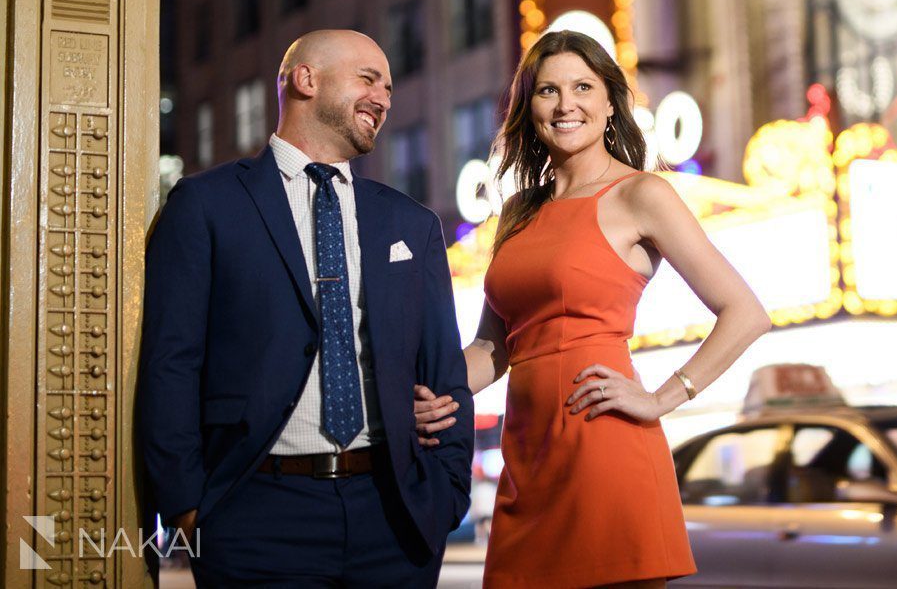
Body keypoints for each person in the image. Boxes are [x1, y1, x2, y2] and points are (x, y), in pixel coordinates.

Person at [415, 30, 772, 588]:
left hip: (605, 445)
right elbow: (494, 349)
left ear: (610, 101)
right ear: (528, 108)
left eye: (582, 87)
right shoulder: (516, 212)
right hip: (527, 460)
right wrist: (434, 391)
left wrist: (662, 397)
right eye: (548, 90)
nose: (565, 104)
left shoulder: (642, 195)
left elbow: (746, 312)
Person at [138, 30, 473, 587]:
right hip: (253, 513)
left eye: (389, 87)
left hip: (394, 516)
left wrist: (446, 492)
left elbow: (444, 370)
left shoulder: (410, 224)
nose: (384, 98)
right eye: (368, 79)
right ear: (305, 79)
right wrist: (187, 508)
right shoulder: (206, 205)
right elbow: (170, 363)